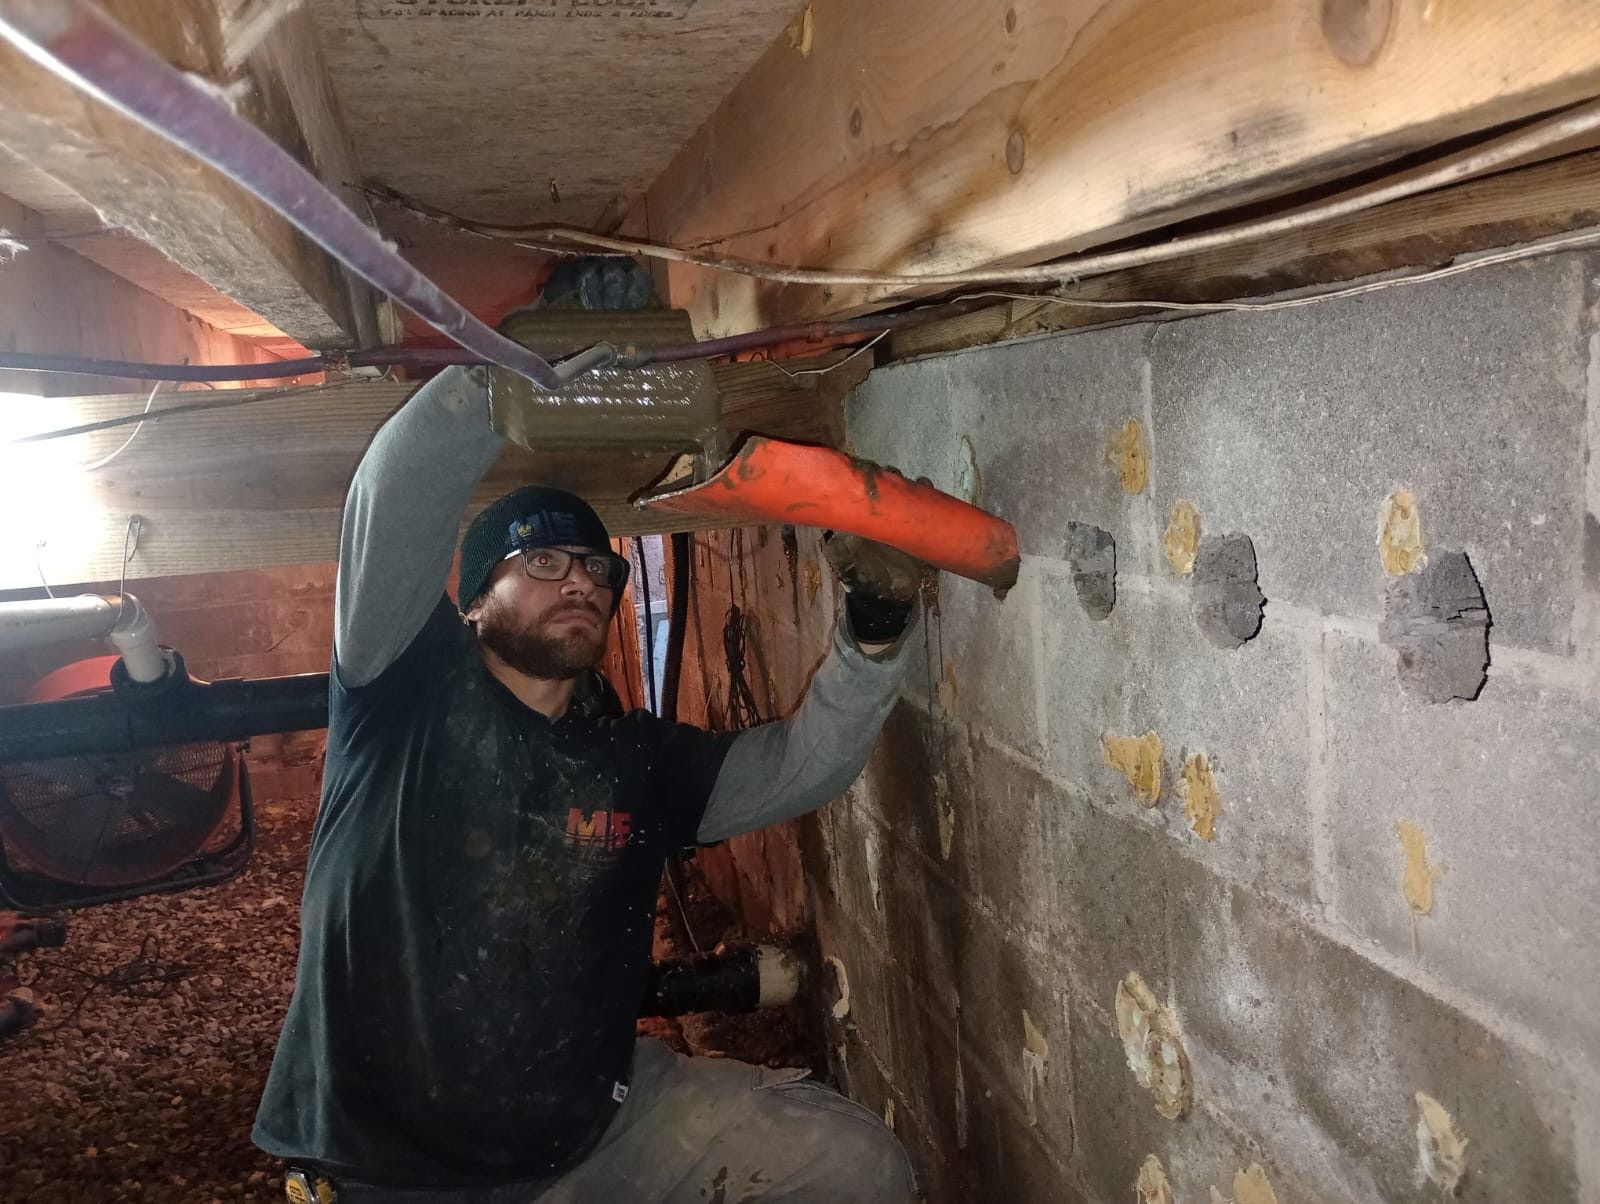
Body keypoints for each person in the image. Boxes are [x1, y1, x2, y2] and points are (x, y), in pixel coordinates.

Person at [253, 362, 923, 1202]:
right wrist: (503, 369)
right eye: (540, 560)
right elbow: (395, 491)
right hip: (390, 1170)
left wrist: (875, 637)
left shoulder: (633, 760)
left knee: (855, 1168)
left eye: (596, 568)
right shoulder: (400, 694)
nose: (579, 578)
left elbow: (798, 766)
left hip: (591, 1135)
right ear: (472, 601)